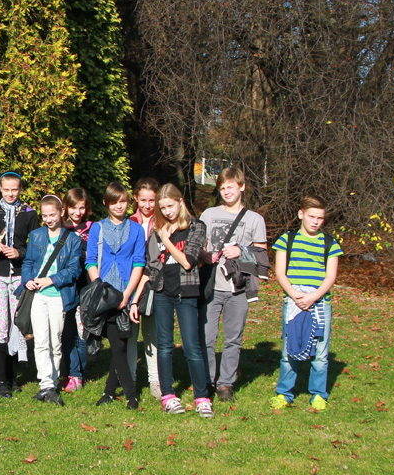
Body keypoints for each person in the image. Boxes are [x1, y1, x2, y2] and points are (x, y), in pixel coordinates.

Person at [141, 183, 211, 417]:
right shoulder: (158, 229)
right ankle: (168, 395)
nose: (167, 212)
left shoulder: (196, 227)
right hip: (162, 291)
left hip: (186, 291)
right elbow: (151, 264)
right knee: (164, 345)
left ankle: (202, 397)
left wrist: (166, 240)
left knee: (192, 346)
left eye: (170, 206)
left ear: (180, 202)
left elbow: (188, 261)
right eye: (162, 208)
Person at [200, 167, 268, 402]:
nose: (226, 191)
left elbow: (262, 255)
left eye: (230, 187)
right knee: (207, 338)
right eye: (222, 188)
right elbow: (198, 244)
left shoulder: (254, 219)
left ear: (242, 186)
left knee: (233, 339)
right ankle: (206, 381)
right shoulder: (209, 214)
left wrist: (241, 251)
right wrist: (204, 255)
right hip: (210, 285)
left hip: (238, 288)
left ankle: (225, 384)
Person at [271, 195, 342, 411]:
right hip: (293, 302)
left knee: (320, 352)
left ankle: (318, 394)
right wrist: (295, 295)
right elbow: (280, 272)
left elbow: (331, 276)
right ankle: (284, 393)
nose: (315, 221)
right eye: (312, 216)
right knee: (289, 350)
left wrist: (313, 297)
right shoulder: (287, 239)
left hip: (320, 303)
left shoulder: (330, 243)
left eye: (320, 218)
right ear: (301, 214)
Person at [17, 195, 83, 406]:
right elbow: (28, 262)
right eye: (44, 216)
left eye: (52, 215)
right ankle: (45, 383)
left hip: (58, 296)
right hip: (38, 295)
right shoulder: (36, 235)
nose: (48, 219)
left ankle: (52, 382)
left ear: (61, 212)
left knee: (55, 341)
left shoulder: (73, 239)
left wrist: (51, 280)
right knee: (40, 341)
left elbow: (74, 270)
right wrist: (27, 279)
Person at [85, 182, 146, 409]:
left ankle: (110, 393)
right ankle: (131, 395)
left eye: (123, 201)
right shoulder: (98, 228)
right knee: (117, 345)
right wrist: (99, 288)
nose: (119, 206)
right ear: (106, 203)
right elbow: (91, 261)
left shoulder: (137, 230)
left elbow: (139, 263)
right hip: (104, 295)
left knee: (120, 344)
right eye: (114, 202)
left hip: (125, 292)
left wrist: (127, 295)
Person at [0, 171, 39, 398]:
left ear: (20, 189)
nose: (10, 194)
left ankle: (12, 377)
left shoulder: (29, 213)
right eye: (6, 189)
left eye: (14, 190)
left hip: (19, 276)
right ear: (0, 188)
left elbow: (36, 247)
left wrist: (19, 252)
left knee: (16, 326)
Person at [130, 178, 160, 399]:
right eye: (143, 200)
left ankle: (155, 380)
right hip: (132, 280)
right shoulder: (130, 221)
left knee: (152, 333)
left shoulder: (162, 221)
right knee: (130, 332)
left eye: (152, 200)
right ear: (136, 199)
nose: (147, 205)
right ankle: (130, 377)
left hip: (154, 281)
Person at [61, 188, 93, 392]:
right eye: (73, 207)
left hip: (85, 285)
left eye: (81, 208)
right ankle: (72, 372)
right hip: (66, 286)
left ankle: (79, 373)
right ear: (66, 207)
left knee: (82, 331)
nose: (77, 212)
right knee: (67, 331)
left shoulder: (92, 228)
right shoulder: (60, 228)